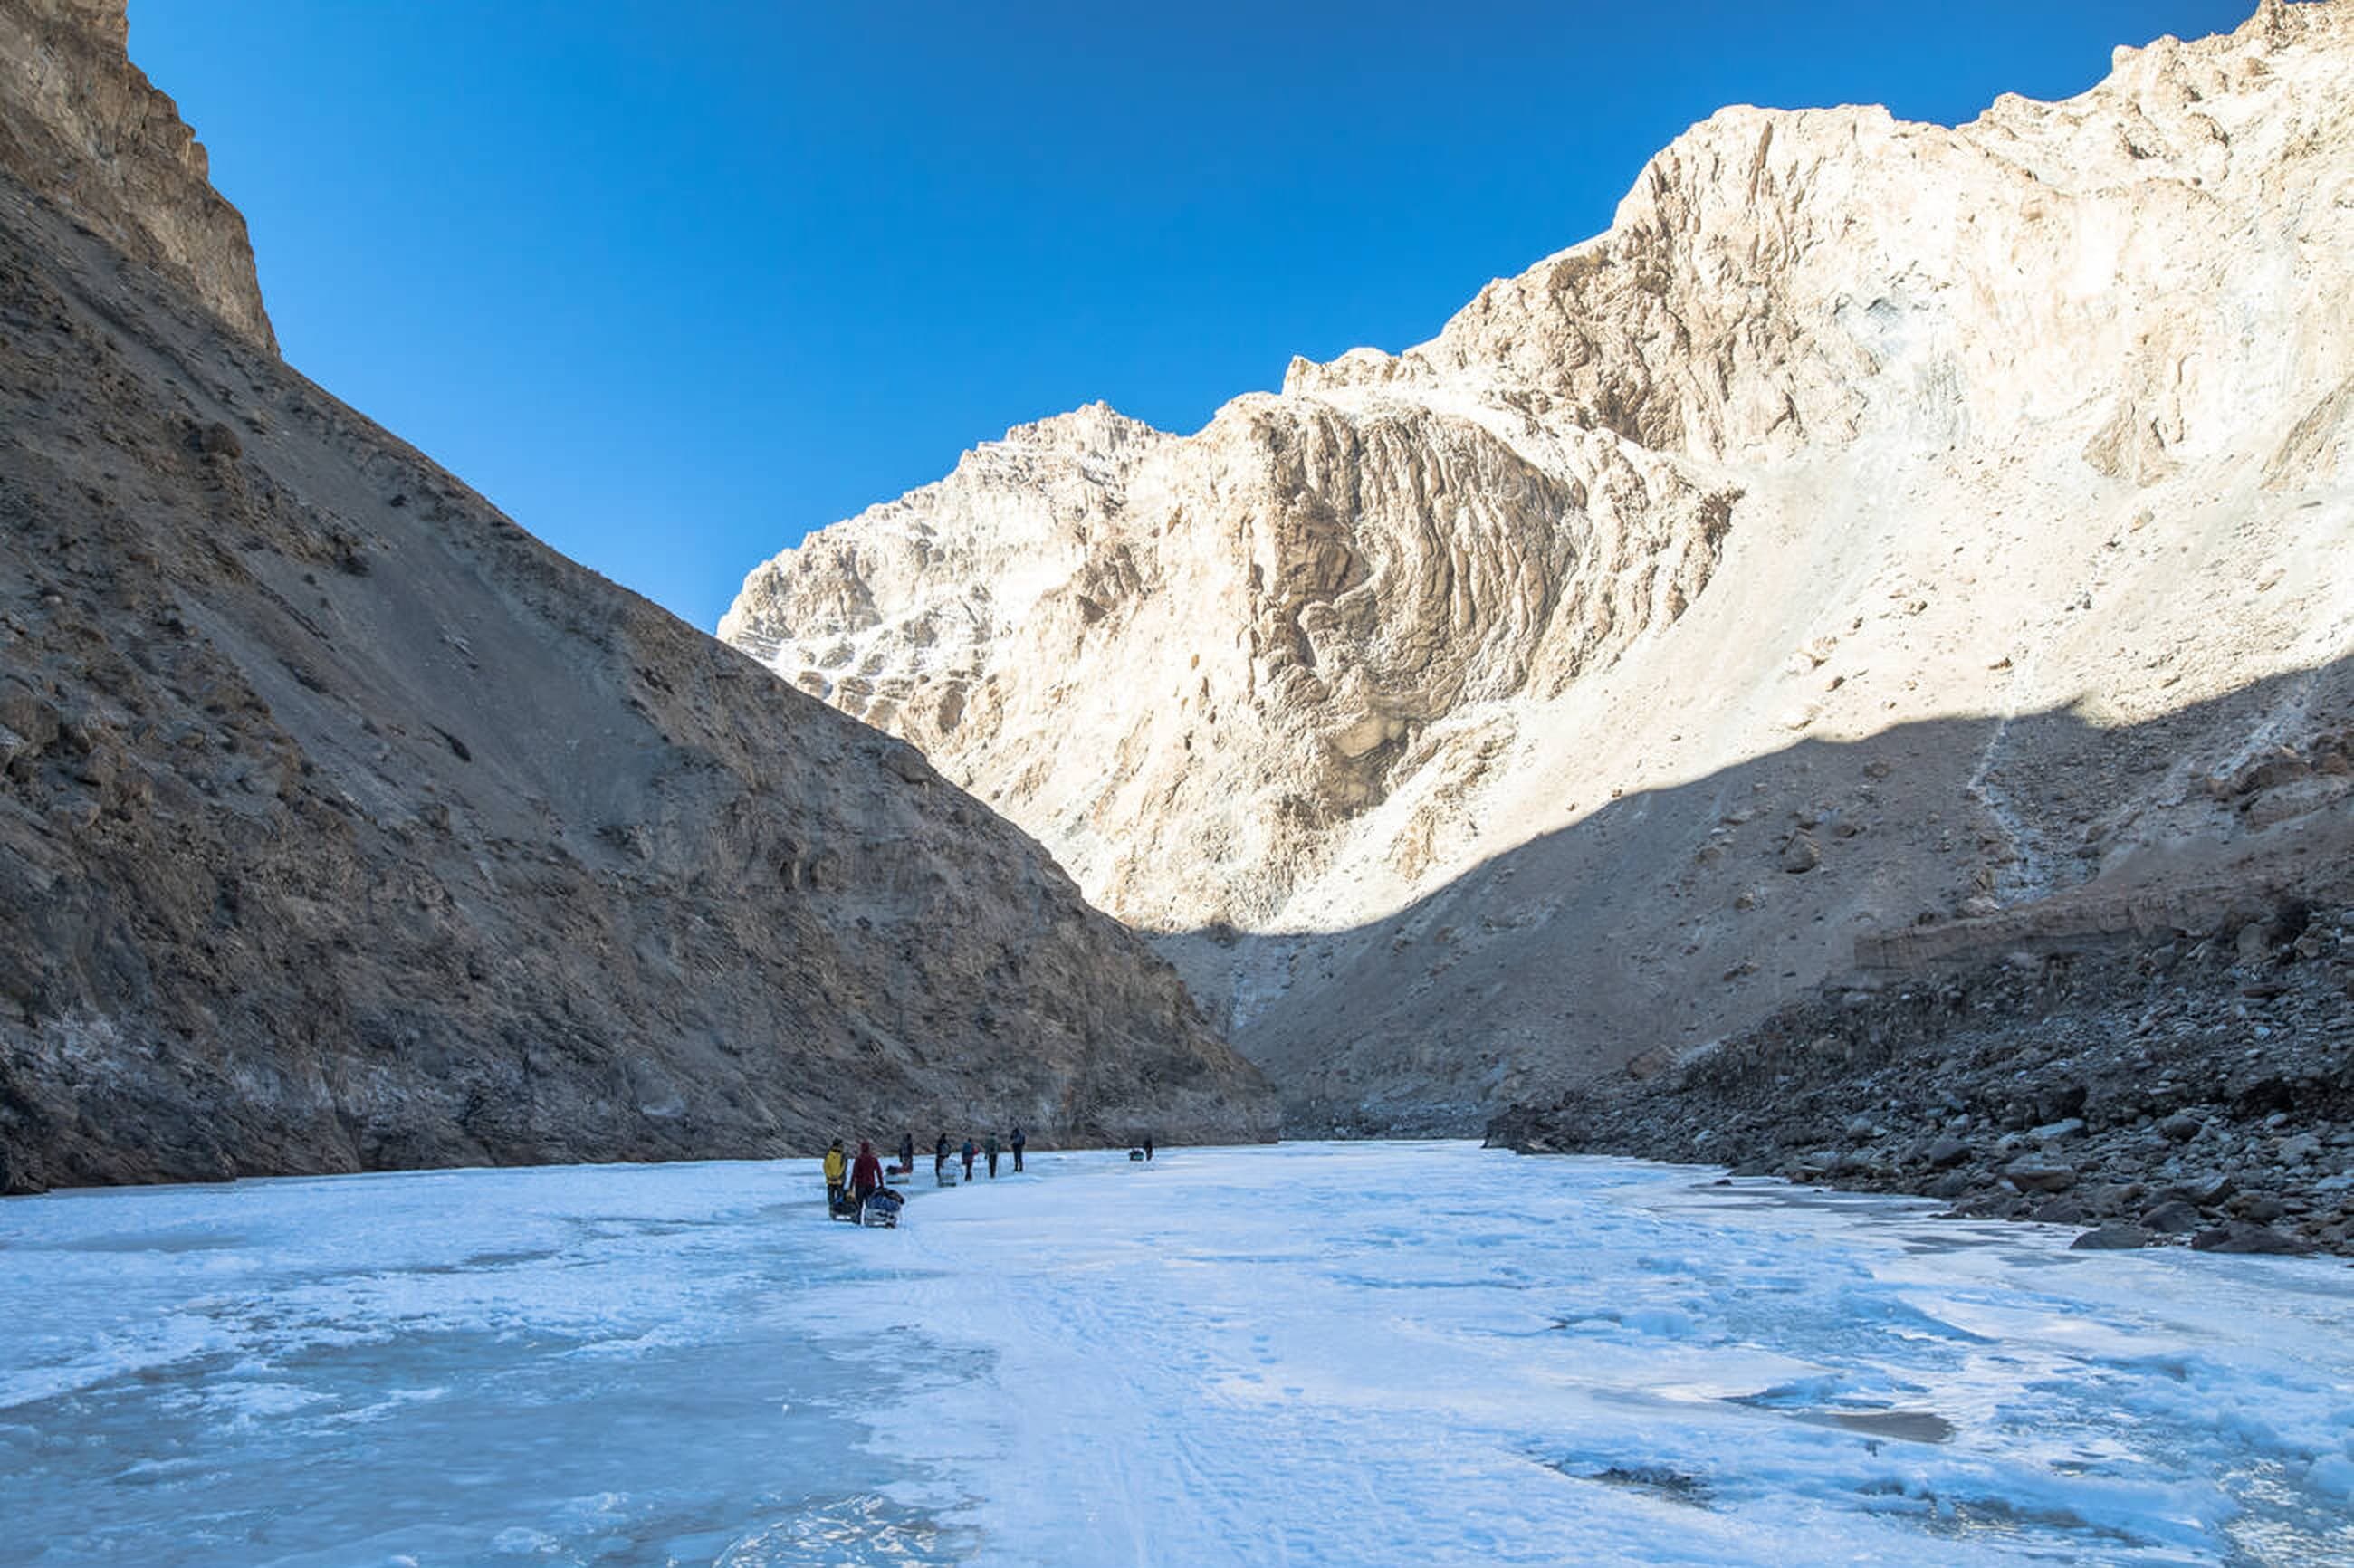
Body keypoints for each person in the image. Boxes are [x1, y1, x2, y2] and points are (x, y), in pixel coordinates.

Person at [850, 1139, 885, 1216]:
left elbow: (854, 1173)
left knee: (859, 1205)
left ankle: (857, 1219)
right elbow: (879, 1172)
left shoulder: (859, 1159)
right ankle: (869, 1219)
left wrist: (851, 1186)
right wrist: (881, 1185)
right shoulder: (873, 1159)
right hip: (870, 1185)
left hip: (860, 1185)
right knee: (870, 1204)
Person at [823, 1138, 847, 1210]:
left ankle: (832, 1208)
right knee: (839, 1195)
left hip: (830, 1180)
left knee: (831, 1196)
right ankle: (839, 1209)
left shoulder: (828, 1154)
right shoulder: (842, 1155)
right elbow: (843, 1167)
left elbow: (825, 1166)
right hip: (839, 1180)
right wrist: (837, 1176)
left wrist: (829, 1176)